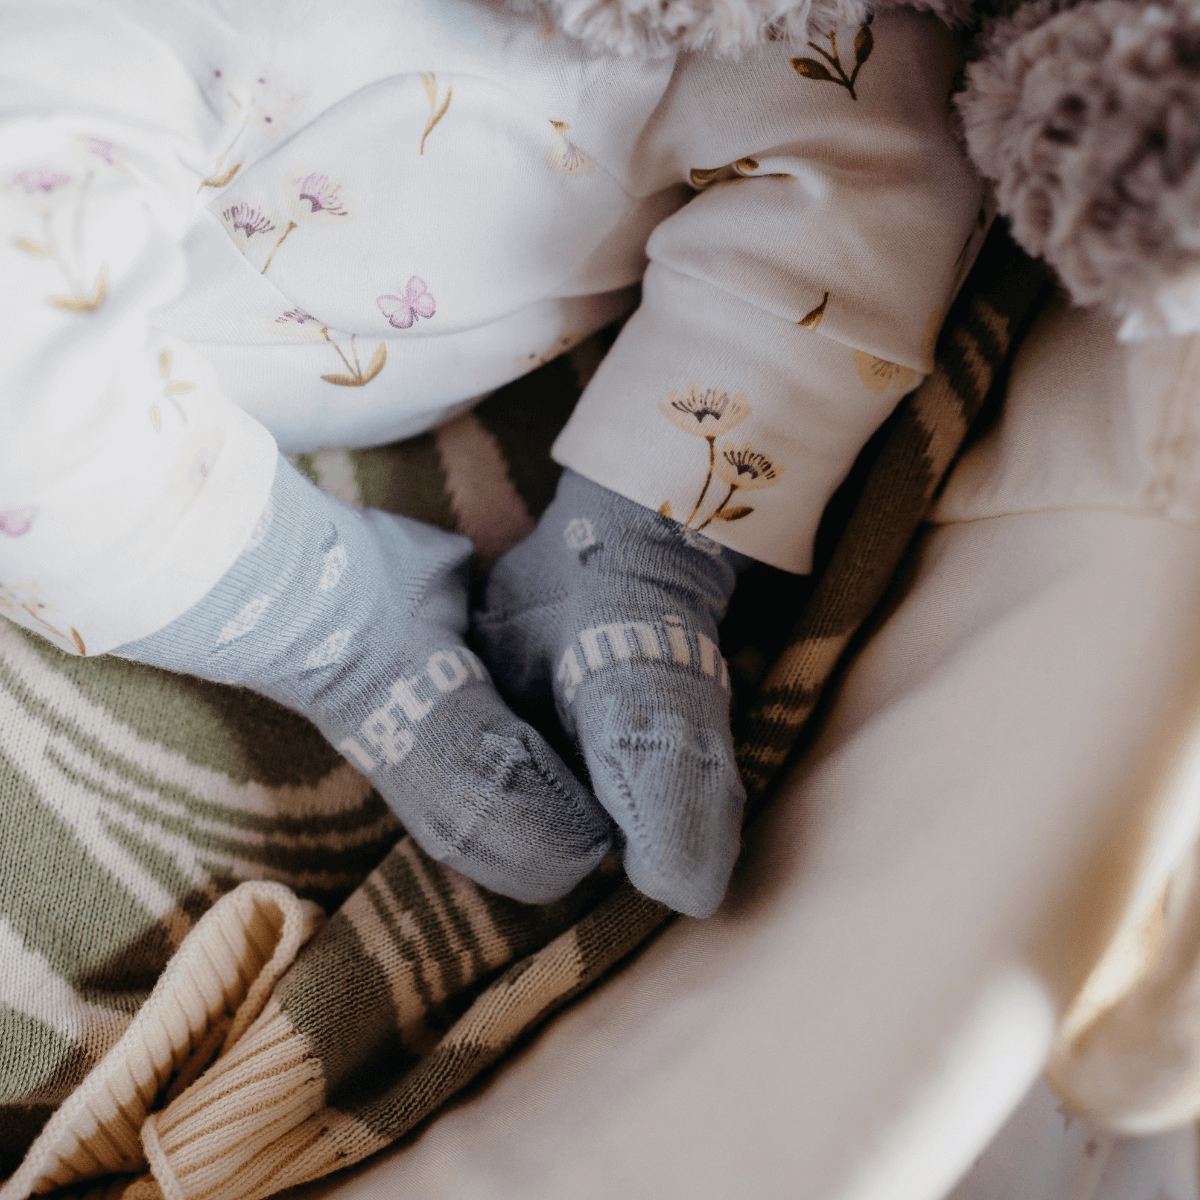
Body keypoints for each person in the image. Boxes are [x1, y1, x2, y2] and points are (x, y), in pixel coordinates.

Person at [0, 0, 982, 917]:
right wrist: (327, 632)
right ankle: (319, 617)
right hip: (154, 274)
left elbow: (881, 165)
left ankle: (639, 544)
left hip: (683, 38)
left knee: (902, 117)